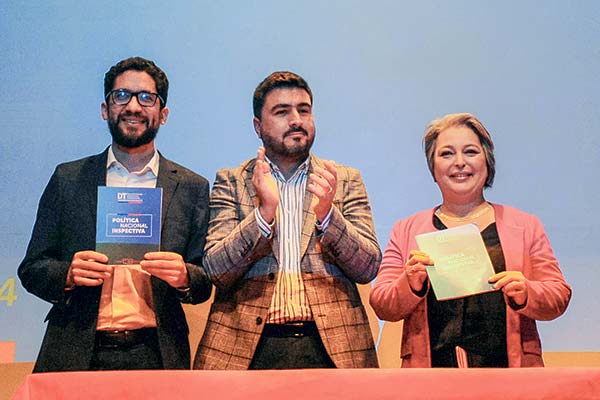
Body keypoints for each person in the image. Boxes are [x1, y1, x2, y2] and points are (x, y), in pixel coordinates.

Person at [18, 57, 212, 372]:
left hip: (156, 353)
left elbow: (204, 280)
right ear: (105, 109)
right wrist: (67, 274)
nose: (133, 106)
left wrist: (185, 277)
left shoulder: (191, 187)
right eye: (122, 95)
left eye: (146, 97)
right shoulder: (68, 179)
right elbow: (32, 268)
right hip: (76, 348)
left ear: (162, 115)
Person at [194, 71, 381, 369]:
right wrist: (263, 215)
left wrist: (328, 216)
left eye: (303, 110)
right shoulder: (231, 181)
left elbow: (368, 267)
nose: (296, 119)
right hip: (246, 349)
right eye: (282, 111)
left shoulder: (343, 180)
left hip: (333, 349)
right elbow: (216, 270)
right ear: (258, 126)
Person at [369, 113, 571, 368]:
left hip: (511, 376)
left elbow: (559, 295)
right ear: (433, 167)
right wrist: (409, 283)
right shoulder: (406, 229)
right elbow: (382, 303)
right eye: (446, 154)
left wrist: (526, 291)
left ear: (488, 161)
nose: (460, 163)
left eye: (471, 152)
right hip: (431, 377)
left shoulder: (525, 225)